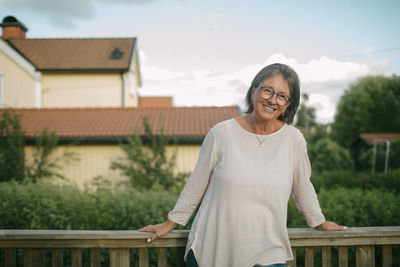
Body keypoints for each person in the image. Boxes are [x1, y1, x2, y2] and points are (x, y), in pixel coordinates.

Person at [139, 63, 346, 267]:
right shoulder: (221, 133)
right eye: (267, 90)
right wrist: (170, 222)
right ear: (254, 90)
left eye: (282, 96)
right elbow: (197, 183)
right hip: (213, 251)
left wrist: (320, 221)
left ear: (289, 103)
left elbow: (303, 186)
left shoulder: (294, 140)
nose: (272, 100)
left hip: (268, 252)